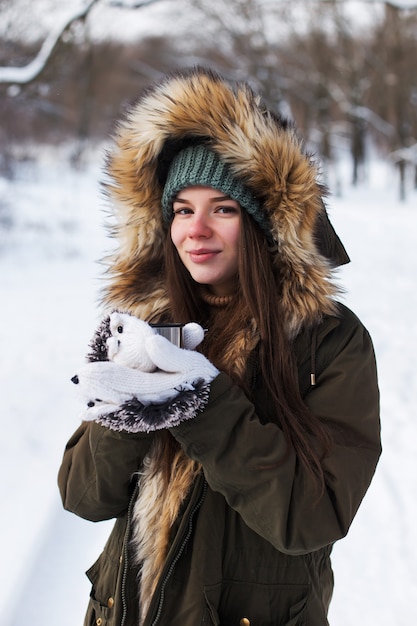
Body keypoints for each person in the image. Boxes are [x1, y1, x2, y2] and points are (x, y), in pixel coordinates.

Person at [58, 67, 381, 626]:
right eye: (182, 209)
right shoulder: (149, 326)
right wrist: (124, 411)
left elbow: (313, 517)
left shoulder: (331, 341)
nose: (195, 230)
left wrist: (202, 403)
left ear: (265, 225)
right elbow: (84, 496)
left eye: (223, 209)